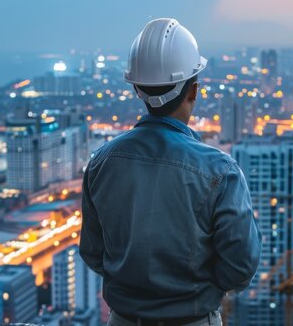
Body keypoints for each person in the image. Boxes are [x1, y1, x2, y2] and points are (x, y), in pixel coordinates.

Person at [79, 18, 262, 326]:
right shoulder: (220, 171)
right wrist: (197, 289)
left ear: (137, 89)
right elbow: (240, 265)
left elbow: (93, 253)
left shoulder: (101, 162)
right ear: (194, 91)